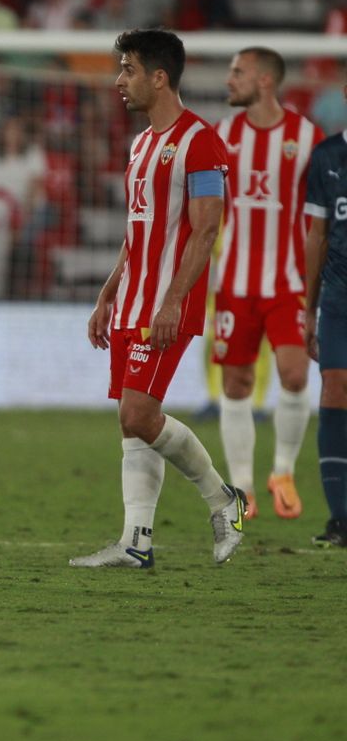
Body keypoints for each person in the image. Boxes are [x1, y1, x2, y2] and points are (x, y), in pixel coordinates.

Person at [74, 28, 246, 569]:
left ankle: (225, 499)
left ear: (159, 76)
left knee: (139, 413)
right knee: (131, 423)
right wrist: (107, 294)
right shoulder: (142, 144)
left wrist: (172, 301)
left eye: (127, 69)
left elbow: (206, 229)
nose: (119, 81)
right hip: (131, 303)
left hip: (166, 306)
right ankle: (136, 541)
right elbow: (137, 230)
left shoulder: (202, 142)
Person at [211, 47, 319, 519]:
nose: (229, 80)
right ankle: (241, 488)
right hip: (235, 280)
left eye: (238, 72)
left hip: (289, 280)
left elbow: (320, 218)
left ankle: (282, 470)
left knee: (294, 374)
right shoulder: (223, 134)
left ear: (266, 81)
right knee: (235, 383)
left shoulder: (306, 137)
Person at [301, 80, 347, 548]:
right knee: (335, 386)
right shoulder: (327, 156)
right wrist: (308, 306)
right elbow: (317, 235)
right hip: (338, 296)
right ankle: (340, 517)